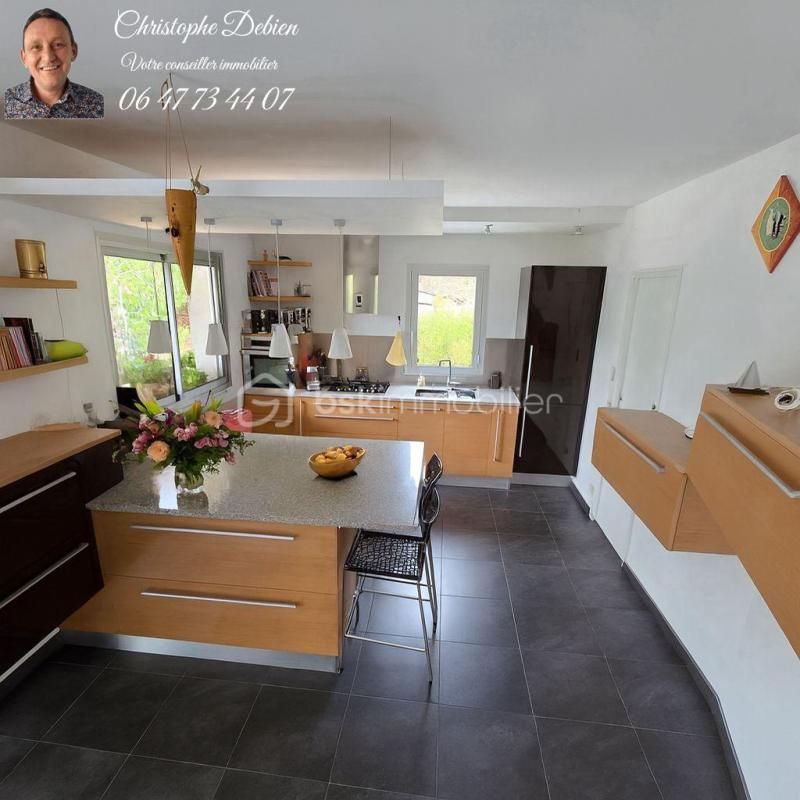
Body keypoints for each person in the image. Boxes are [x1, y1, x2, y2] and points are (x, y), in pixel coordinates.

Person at [4, 8, 103, 119]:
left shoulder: (98, 105)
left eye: (58, 45)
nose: (48, 57)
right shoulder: (5, 105)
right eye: (36, 47)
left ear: (74, 51)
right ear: (24, 58)